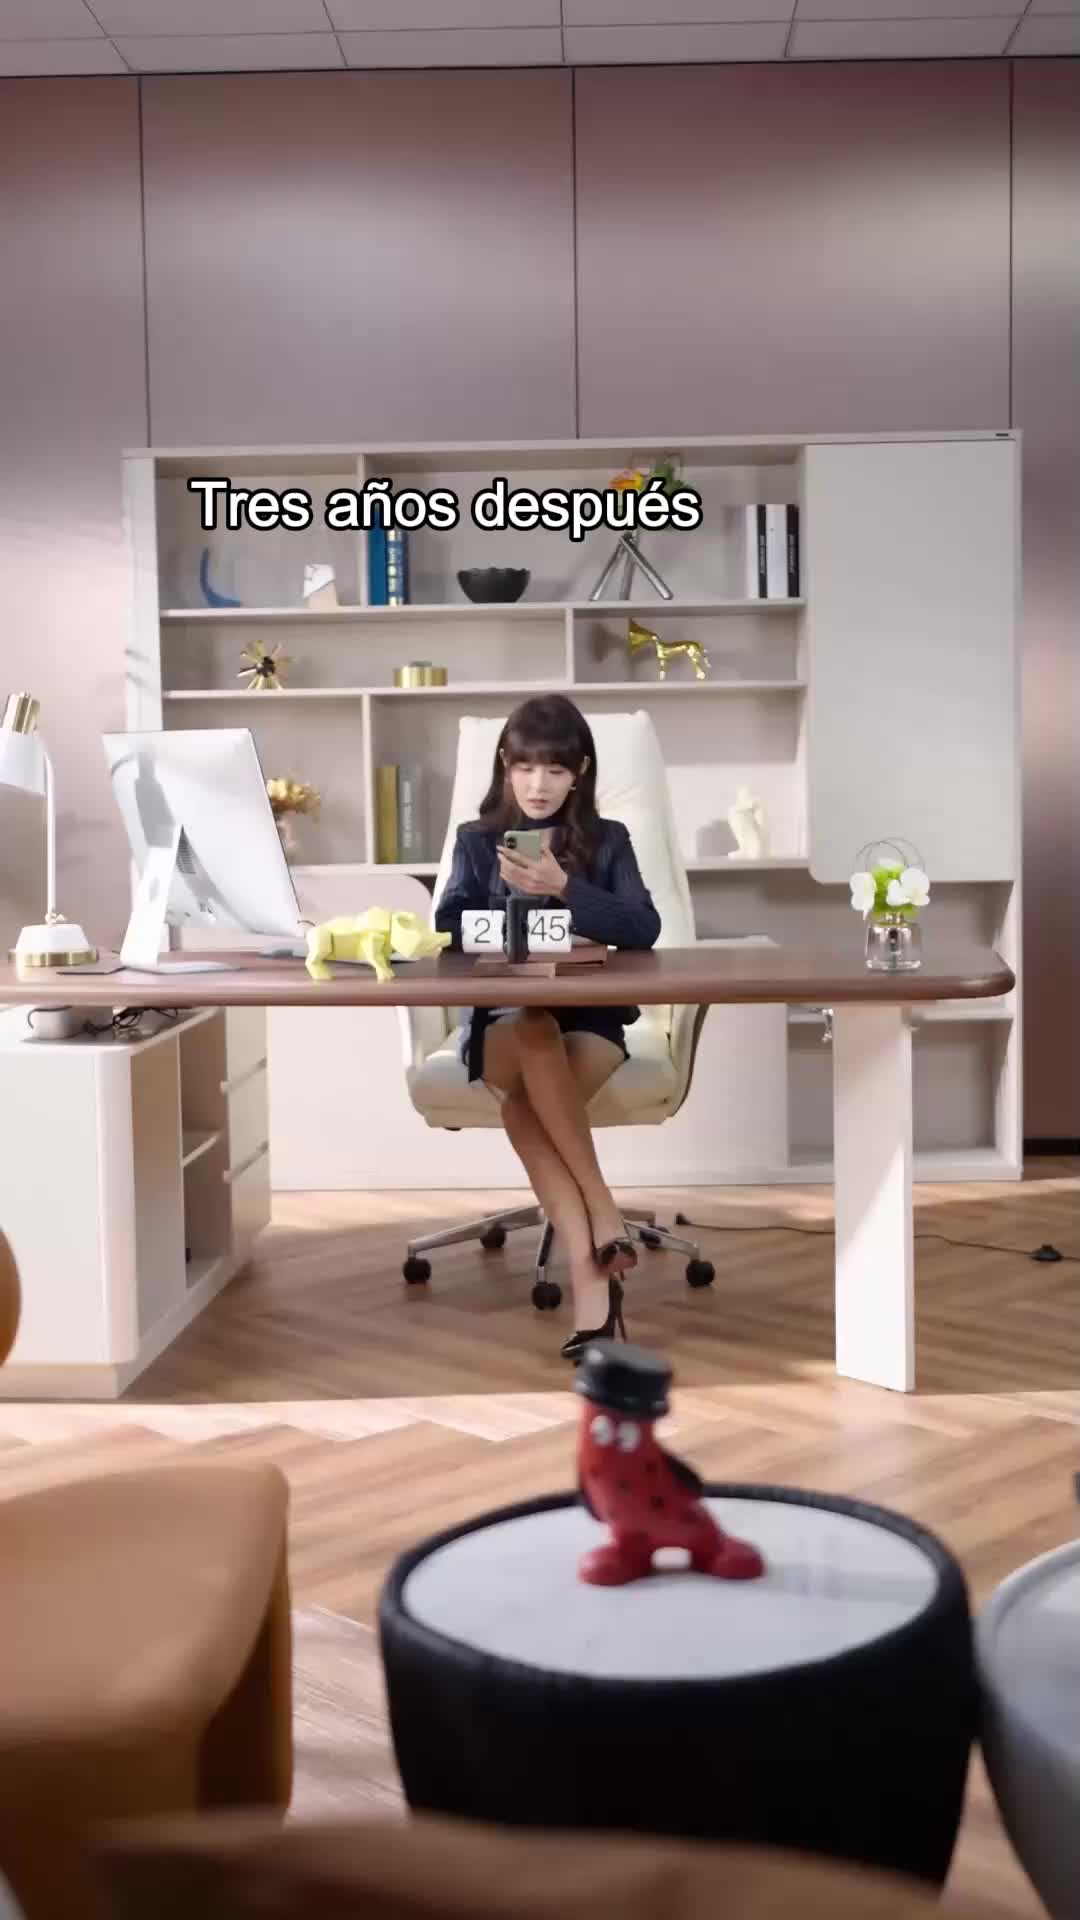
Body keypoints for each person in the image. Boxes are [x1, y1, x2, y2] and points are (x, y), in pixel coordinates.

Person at [434, 695, 661, 1360]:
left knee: (520, 1112)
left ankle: (593, 1292)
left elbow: (643, 928)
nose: (539, 785)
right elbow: (449, 927)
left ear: (579, 773)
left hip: (590, 1025)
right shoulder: (476, 840)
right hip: (504, 1027)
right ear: (505, 766)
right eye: (526, 767)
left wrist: (564, 886)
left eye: (556, 770)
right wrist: (514, 913)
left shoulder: (609, 840)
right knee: (533, 1026)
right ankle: (604, 1211)